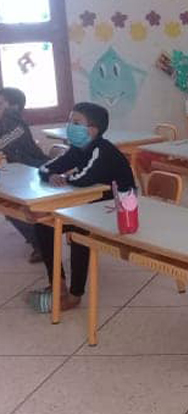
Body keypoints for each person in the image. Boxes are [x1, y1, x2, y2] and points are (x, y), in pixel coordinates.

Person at [30, 103, 136, 313]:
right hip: (91, 205)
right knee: (43, 224)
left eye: (76, 122)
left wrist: (64, 177)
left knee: (79, 231)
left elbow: (83, 179)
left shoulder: (102, 150)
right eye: (70, 121)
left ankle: (75, 295)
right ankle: (58, 284)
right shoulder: (78, 148)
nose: (70, 126)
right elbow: (45, 167)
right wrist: (52, 175)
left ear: (92, 130)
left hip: (118, 211)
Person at [0, 87, 48, 263]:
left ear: (13, 107)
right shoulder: (8, 121)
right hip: (21, 170)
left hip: (34, 169)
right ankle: (36, 237)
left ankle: (41, 244)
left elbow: (3, 142)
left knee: (12, 206)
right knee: (9, 206)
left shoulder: (13, 120)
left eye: (0, 103)